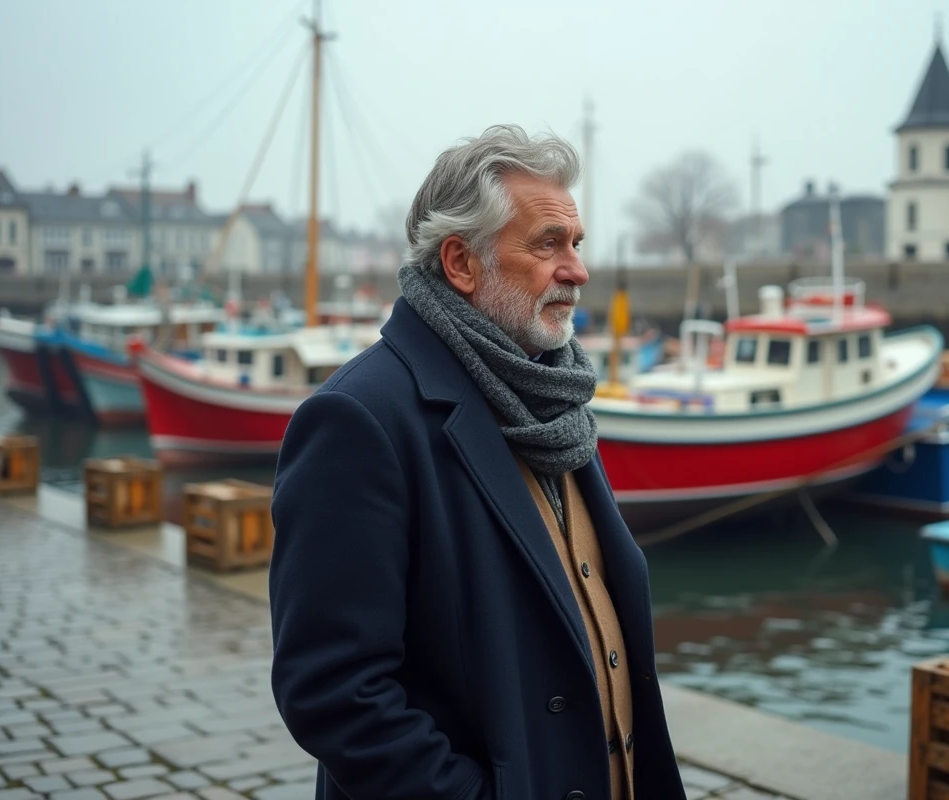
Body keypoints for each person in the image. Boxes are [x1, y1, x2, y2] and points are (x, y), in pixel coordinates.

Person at [269, 125, 686, 800]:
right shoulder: (360, 419)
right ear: (462, 263)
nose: (577, 269)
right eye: (548, 243)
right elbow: (333, 690)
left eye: (576, 244)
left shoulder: (554, 396)